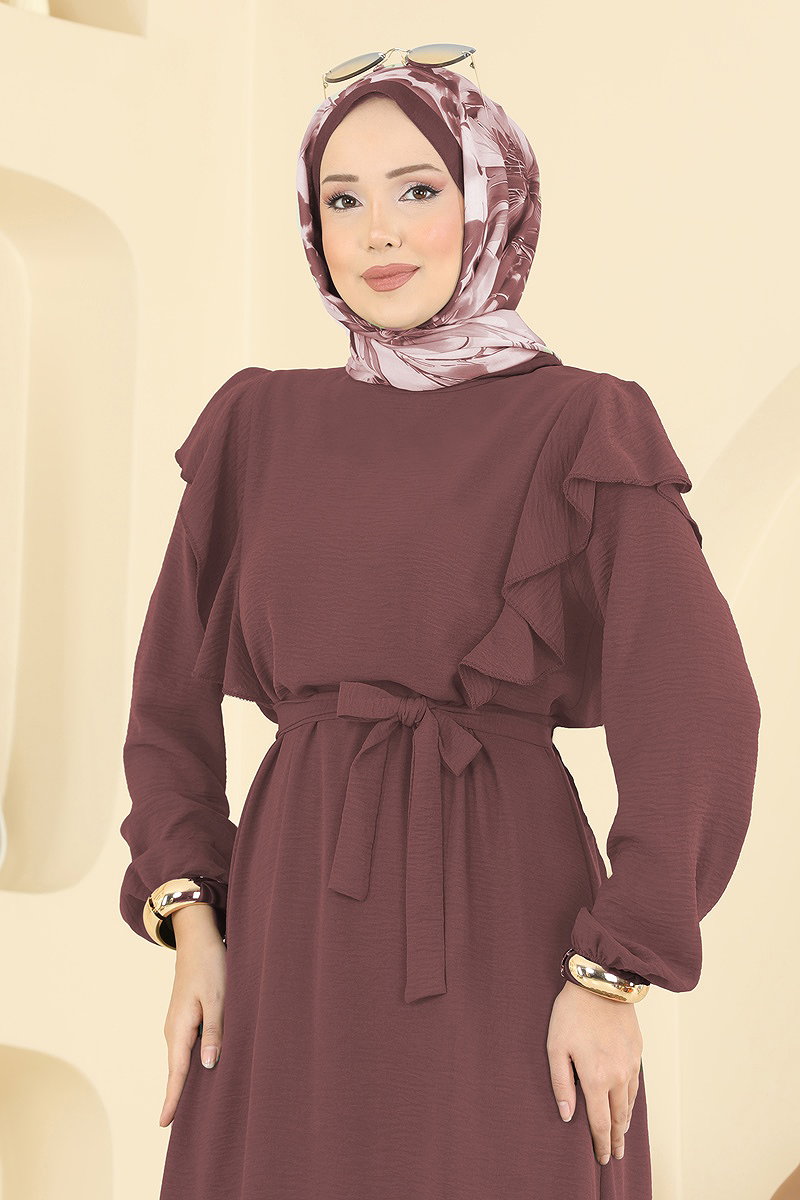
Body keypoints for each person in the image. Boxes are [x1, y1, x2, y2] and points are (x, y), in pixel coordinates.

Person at [118, 57, 761, 1200]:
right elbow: (165, 700)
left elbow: (694, 712)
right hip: (286, 933)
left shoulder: (583, 422)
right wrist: (193, 924)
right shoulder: (257, 423)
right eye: (342, 198)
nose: (377, 231)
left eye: (417, 189)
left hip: (503, 921)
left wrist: (612, 972)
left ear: (490, 201)